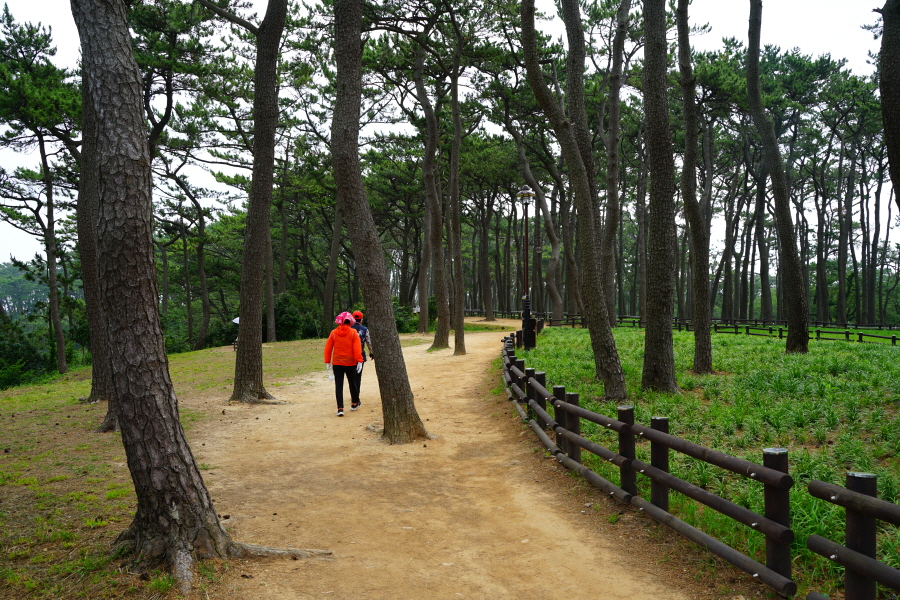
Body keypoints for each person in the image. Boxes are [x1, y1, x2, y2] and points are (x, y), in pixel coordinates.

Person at [323, 311, 363, 417]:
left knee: (339, 385)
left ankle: (340, 408)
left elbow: (328, 348)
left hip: (337, 362)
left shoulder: (333, 333)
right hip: (350, 362)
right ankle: (354, 403)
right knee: (352, 383)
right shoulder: (353, 332)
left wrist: (327, 361)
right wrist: (359, 360)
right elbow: (357, 348)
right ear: (350, 321)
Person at [350, 310, 374, 401]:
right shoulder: (364, 329)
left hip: (349, 356)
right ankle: (356, 394)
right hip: (360, 355)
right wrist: (371, 352)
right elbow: (369, 342)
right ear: (361, 320)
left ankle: (353, 394)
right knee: (358, 376)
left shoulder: (349, 329)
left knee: (351, 376)